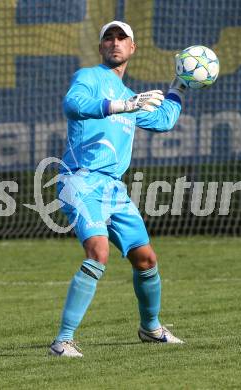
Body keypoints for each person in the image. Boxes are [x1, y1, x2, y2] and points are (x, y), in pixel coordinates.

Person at [50, 20, 186, 357]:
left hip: (113, 189)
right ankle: (62, 341)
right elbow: (73, 104)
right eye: (108, 38)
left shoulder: (131, 97)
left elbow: (164, 120)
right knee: (99, 252)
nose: (114, 43)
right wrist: (120, 106)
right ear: (101, 48)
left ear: (132, 48)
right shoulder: (90, 78)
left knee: (146, 259)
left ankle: (151, 328)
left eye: (121, 38)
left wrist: (181, 84)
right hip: (80, 180)